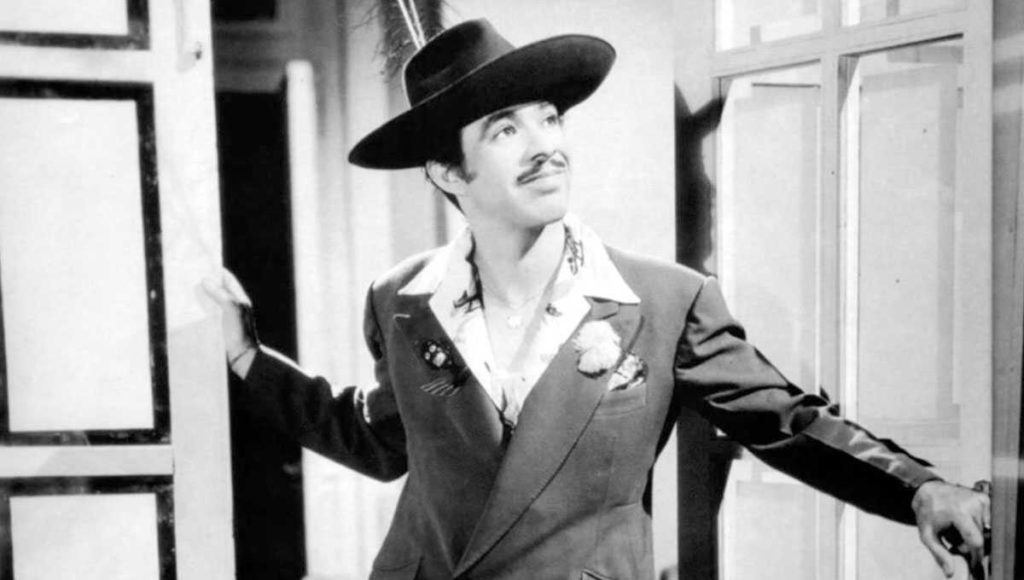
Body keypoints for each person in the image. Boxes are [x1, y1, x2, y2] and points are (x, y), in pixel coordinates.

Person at [203, 18, 990, 580]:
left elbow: (788, 422)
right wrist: (247, 359)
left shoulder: (664, 300)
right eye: (506, 130)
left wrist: (917, 487)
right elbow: (379, 442)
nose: (547, 145)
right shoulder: (401, 301)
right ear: (446, 173)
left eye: (549, 118)